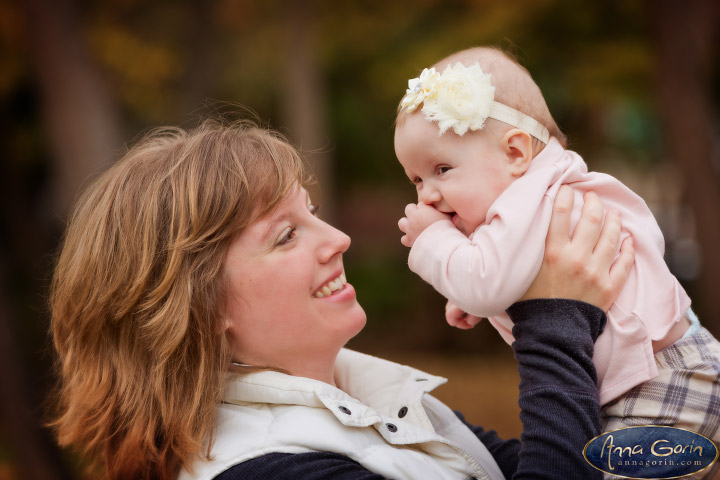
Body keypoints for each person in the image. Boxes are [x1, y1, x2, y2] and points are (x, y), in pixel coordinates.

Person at [50, 118, 632, 480]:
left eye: (313, 214)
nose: (339, 240)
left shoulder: (368, 396)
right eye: (286, 235)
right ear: (199, 307)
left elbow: (547, 461)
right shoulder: (263, 469)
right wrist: (554, 321)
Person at [394, 46, 720, 442]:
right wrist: (474, 289)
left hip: (660, 381)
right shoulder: (549, 190)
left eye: (441, 170)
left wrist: (433, 241)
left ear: (515, 152)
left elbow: (487, 283)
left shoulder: (533, 200)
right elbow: (516, 273)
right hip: (673, 366)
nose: (427, 195)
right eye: (417, 180)